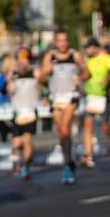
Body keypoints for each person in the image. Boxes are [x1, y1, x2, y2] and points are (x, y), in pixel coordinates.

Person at [40, 29, 88, 185]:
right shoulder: (50, 56)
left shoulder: (75, 55)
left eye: (65, 40)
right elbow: (40, 79)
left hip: (71, 96)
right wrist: (44, 73)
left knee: (66, 128)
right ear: (55, 42)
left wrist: (80, 78)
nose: (62, 43)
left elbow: (87, 72)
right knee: (61, 132)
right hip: (56, 98)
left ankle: (67, 166)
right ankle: (70, 159)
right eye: (59, 40)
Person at [81, 38, 110, 164]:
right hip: (90, 96)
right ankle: (88, 155)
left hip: (103, 96)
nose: (87, 50)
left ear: (95, 47)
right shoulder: (86, 60)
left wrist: (108, 79)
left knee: (105, 126)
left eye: (89, 48)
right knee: (87, 124)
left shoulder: (105, 57)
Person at [5, 47, 41, 178]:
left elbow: (42, 85)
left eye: (25, 59)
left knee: (27, 140)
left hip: (30, 110)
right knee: (16, 142)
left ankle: (26, 166)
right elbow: (7, 90)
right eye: (20, 59)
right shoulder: (12, 73)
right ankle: (19, 161)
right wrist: (9, 79)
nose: (23, 63)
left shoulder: (34, 71)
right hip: (17, 111)